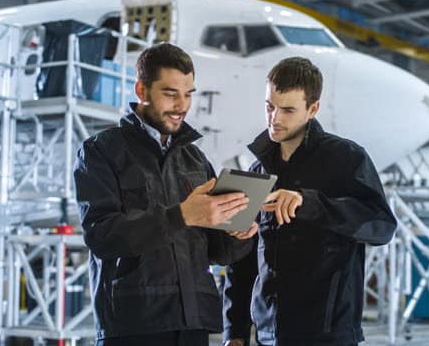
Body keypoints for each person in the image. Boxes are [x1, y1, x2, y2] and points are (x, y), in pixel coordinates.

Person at [73, 43, 257, 346]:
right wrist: (182, 214)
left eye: (188, 94)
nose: (182, 105)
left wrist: (238, 234)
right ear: (141, 90)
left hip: (193, 322)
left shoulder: (195, 159)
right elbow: (102, 236)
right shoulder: (101, 151)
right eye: (171, 94)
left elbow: (217, 251)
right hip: (135, 324)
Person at [223, 57, 397, 346]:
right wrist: (235, 332)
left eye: (288, 110)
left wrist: (310, 203)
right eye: (269, 106)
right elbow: (241, 263)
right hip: (269, 335)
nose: (274, 118)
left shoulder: (346, 159)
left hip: (328, 335)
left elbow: (382, 226)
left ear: (312, 109)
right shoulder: (257, 172)